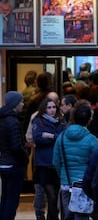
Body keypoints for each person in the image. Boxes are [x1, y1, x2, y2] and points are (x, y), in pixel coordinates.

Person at [53, 99, 98, 220]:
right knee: (82, 216)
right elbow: (97, 164)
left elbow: (56, 161)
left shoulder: (61, 137)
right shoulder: (91, 139)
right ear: (89, 119)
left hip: (66, 183)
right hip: (84, 184)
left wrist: (62, 176)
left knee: (66, 216)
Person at [32, 97, 66, 220]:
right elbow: (38, 138)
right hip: (44, 164)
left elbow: (64, 137)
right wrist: (53, 138)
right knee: (51, 195)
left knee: (56, 196)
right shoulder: (38, 121)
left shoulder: (61, 121)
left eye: (53, 107)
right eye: (49, 107)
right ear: (44, 108)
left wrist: (50, 135)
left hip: (57, 163)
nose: (52, 110)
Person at [0, 91, 28, 220]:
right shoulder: (13, 122)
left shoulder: (2, 119)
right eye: (21, 101)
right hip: (14, 165)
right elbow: (16, 146)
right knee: (12, 200)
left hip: (3, 163)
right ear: (14, 104)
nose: (23, 104)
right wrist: (25, 158)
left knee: (5, 198)